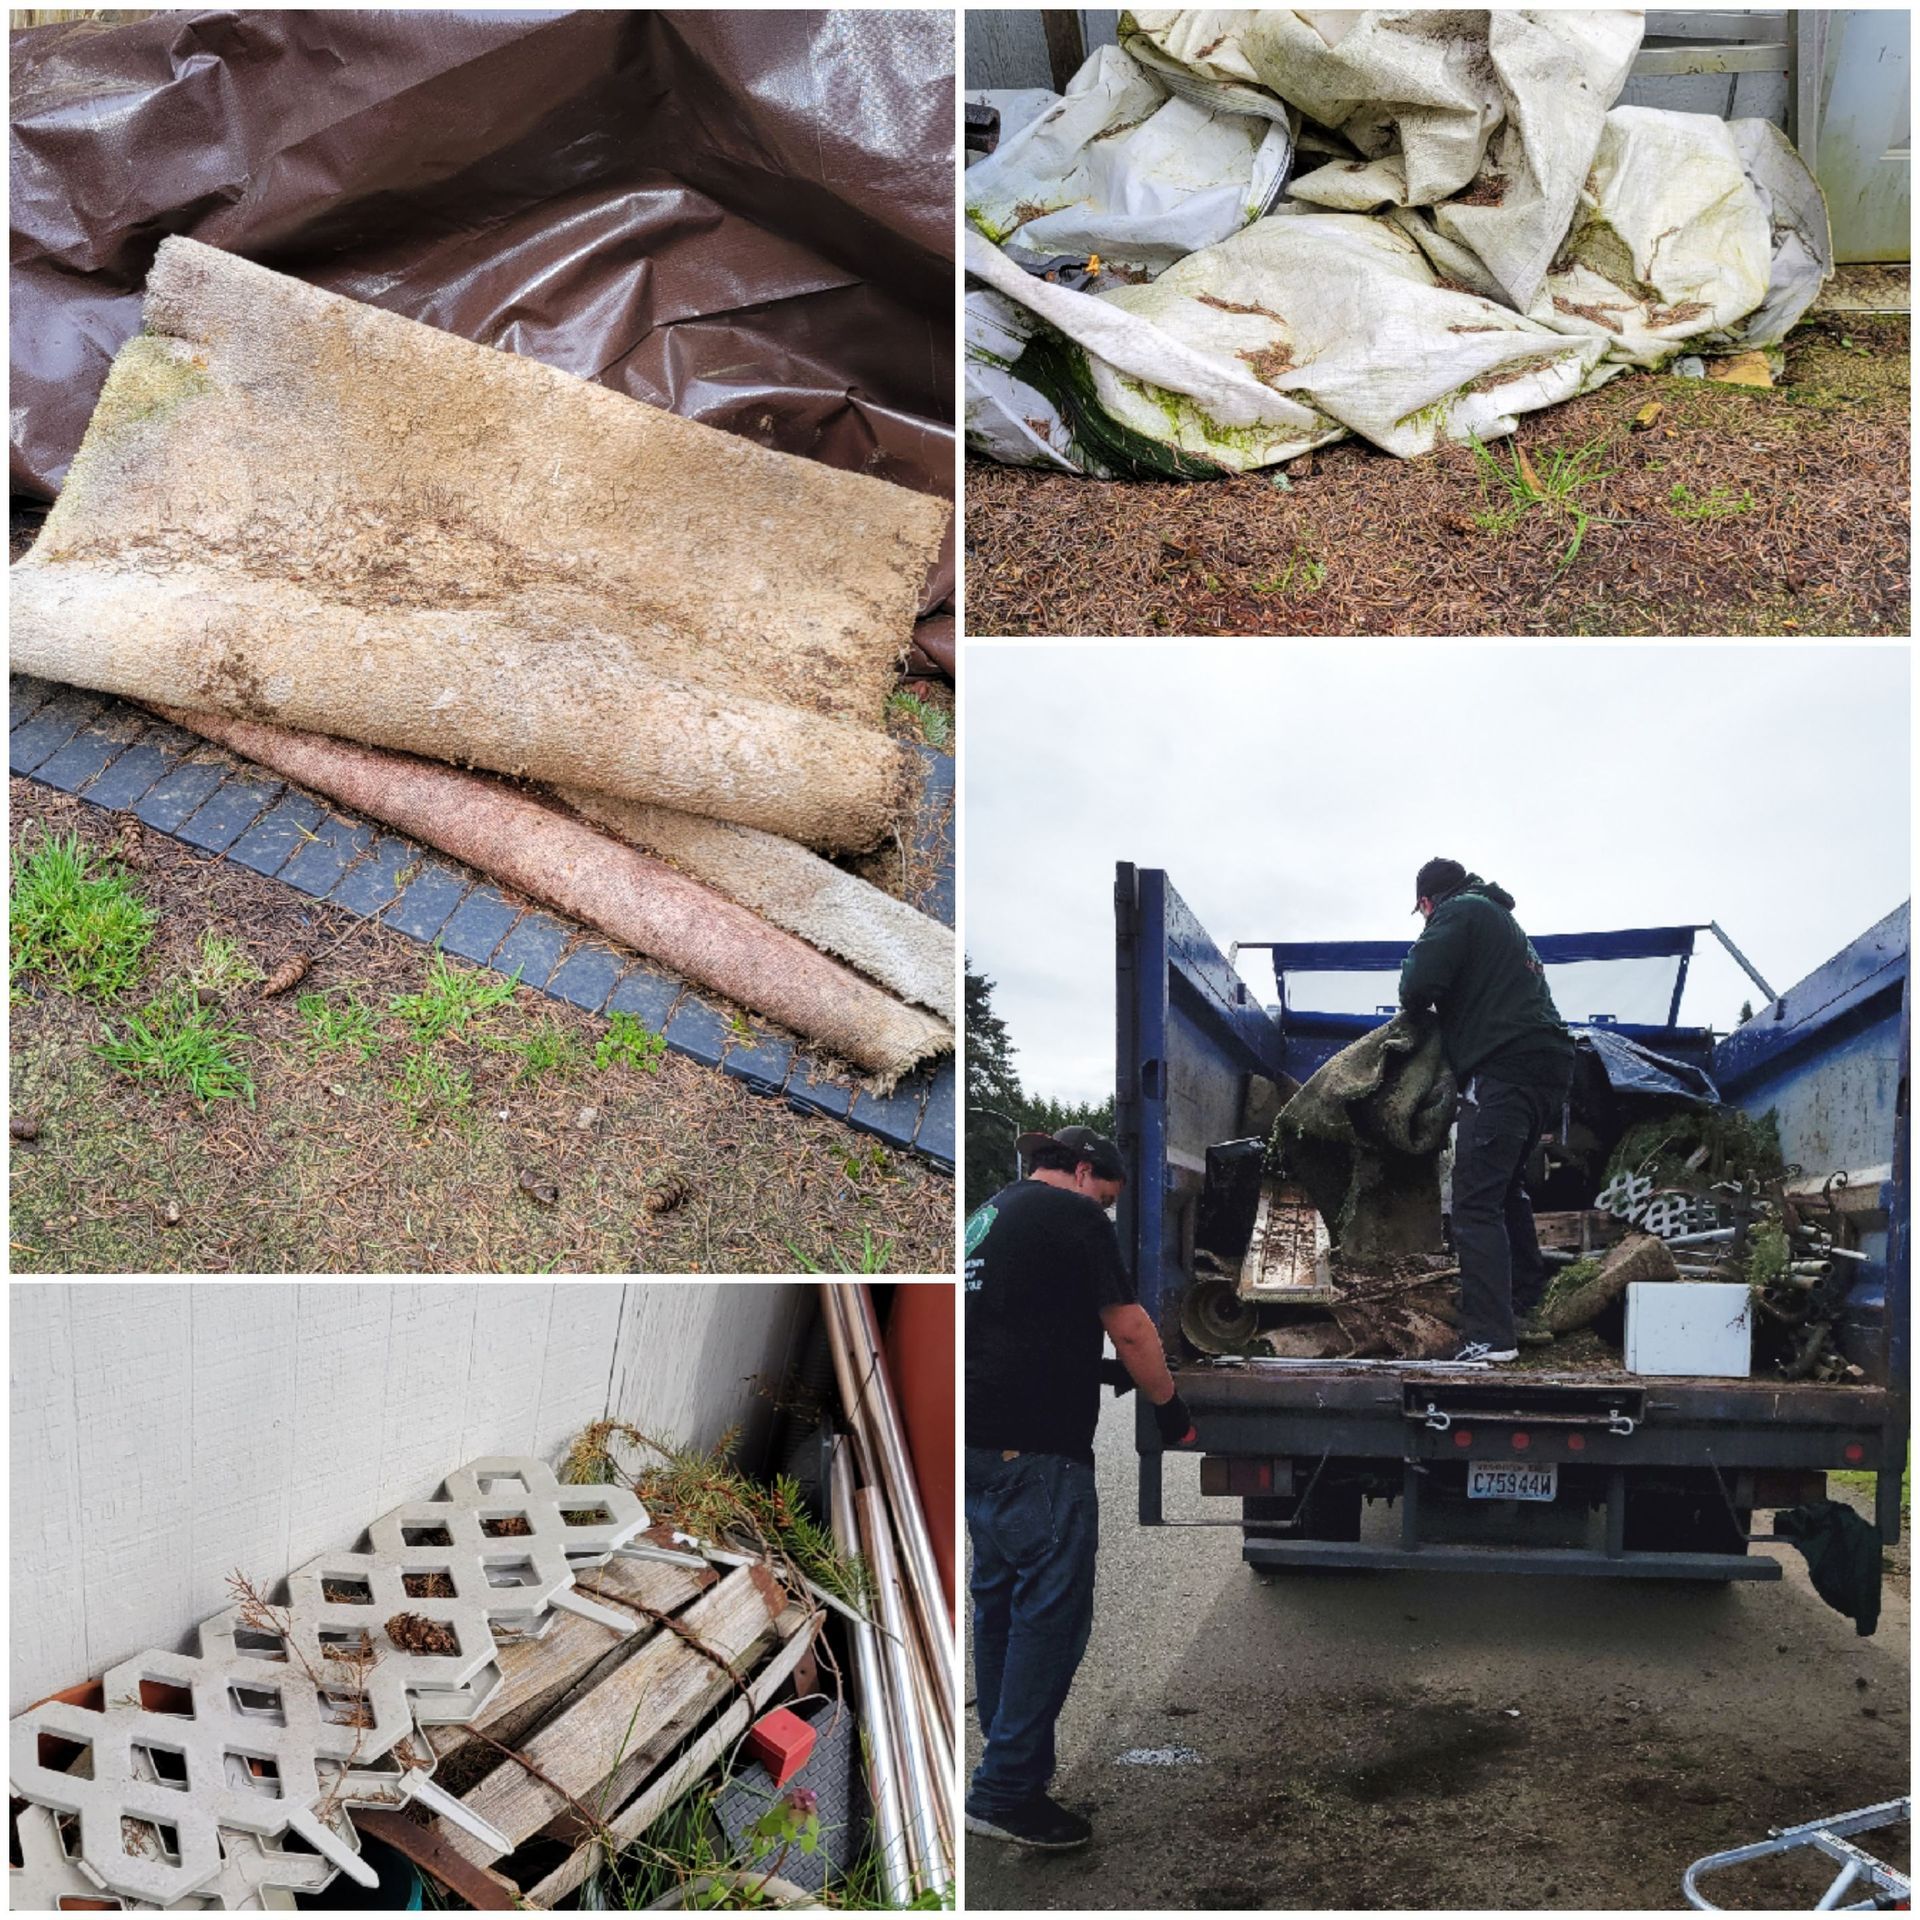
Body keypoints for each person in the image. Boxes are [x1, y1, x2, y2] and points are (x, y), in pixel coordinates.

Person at [963, 1124, 1196, 1851]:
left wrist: (1087, 1368)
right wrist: (1171, 1409)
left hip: (979, 1444)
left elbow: (1006, 1322)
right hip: (1039, 1454)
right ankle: (1005, 1792)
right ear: (1086, 1171)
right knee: (1050, 1623)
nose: (1107, 1212)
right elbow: (1130, 1329)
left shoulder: (993, 1210)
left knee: (1000, 1607)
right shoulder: (1073, 1215)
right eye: (1109, 1199)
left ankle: (1006, 1764)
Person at [1400, 859, 1574, 1364]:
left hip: (1504, 1068)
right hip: (1547, 1069)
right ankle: (1524, 1302)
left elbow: (1416, 986)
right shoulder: (1500, 920)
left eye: (1423, 912)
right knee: (1505, 1189)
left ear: (1427, 903)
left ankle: (1490, 1338)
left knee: (1474, 1204)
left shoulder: (1459, 912)